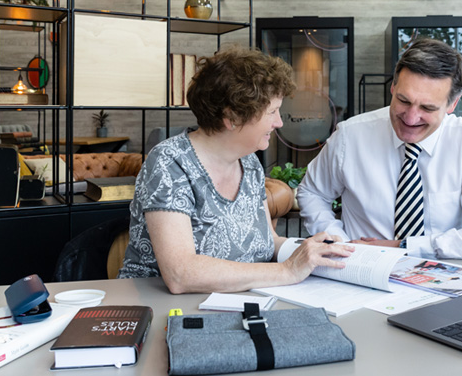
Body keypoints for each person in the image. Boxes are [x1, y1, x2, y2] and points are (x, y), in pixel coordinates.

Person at [118, 45, 354, 293]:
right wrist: (287, 270)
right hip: (160, 305)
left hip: (235, 300)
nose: (279, 122)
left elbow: (268, 242)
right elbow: (181, 273)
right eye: (272, 111)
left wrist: (313, 250)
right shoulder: (170, 162)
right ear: (232, 117)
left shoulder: (249, 161)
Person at [297, 38, 462, 260]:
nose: (411, 118)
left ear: (452, 104)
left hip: (442, 278)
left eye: (427, 107)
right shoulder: (350, 136)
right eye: (403, 100)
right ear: (393, 87)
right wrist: (340, 243)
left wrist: (405, 246)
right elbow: (312, 193)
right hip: (360, 272)